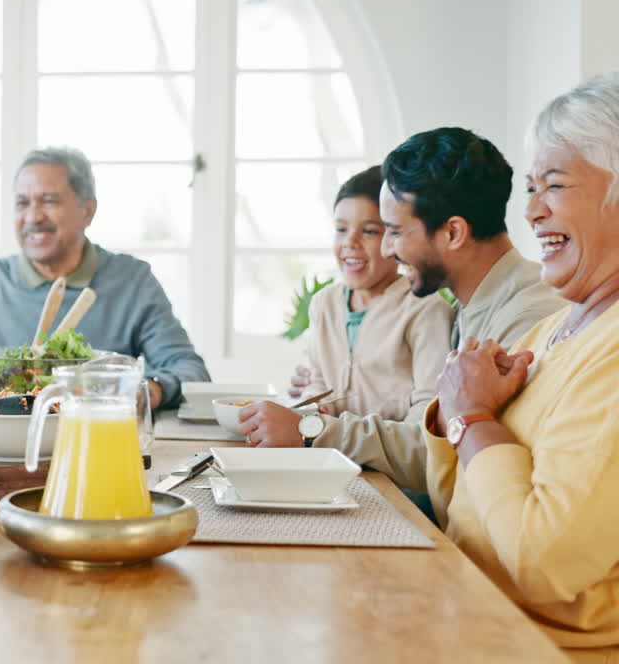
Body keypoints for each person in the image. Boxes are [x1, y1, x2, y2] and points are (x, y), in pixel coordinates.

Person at [239, 128, 562, 496]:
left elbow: (446, 457)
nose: (388, 250)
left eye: (393, 231)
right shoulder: (468, 309)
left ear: (453, 233)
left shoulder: (529, 322)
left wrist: (311, 429)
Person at [424, 71, 619, 661]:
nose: (531, 212)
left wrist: (475, 417)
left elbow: (540, 561)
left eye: (553, 186)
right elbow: (459, 515)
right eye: (530, 189)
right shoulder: (552, 329)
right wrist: (454, 416)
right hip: (468, 619)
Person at [0, 146, 210, 409]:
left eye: (49, 201)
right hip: (3, 447)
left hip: (96, 439)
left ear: (87, 211)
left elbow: (190, 371)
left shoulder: (132, 281)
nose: (33, 217)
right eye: (22, 203)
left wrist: (147, 390)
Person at [290, 165, 454, 429]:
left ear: (393, 237)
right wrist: (315, 407)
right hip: (330, 456)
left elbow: (428, 411)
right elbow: (317, 385)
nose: (350, 242)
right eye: (341, 229)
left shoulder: (425, 310)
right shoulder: (324, 304)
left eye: (369, 231)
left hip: (389, 466)